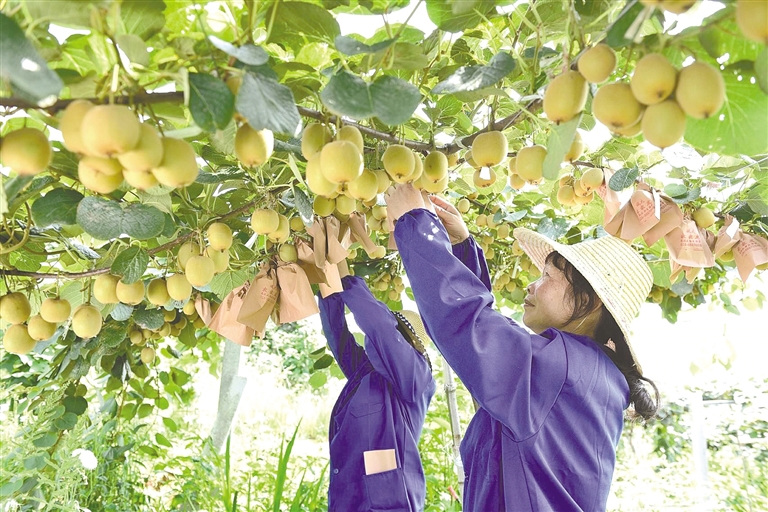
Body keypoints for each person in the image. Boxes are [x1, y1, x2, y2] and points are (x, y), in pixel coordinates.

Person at [384, 184, 660, 512]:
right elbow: (488, 342)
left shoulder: (560, 369)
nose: (532, 284)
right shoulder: (589, 371)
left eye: (547, 275)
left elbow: (467, 325)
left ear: (591, 300)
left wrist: (416, 224)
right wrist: (461, 249)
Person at [317, 260, 436, 512]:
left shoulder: (416, 375)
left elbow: (380, 328)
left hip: (387, 502)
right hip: (350, 497)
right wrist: (327, 281)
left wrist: (346, 278)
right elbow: (339, 339)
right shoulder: (368, 371)